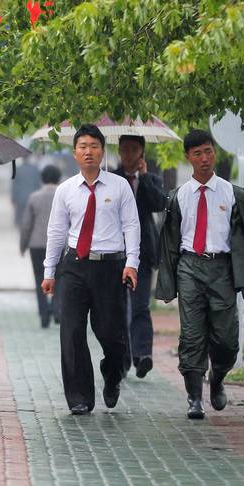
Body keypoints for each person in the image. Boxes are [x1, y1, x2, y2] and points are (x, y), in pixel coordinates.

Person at [155, 129, 244, 420]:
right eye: (198, 154)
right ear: (188, 158)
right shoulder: (178, 197)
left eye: (209, 151)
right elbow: (170, 244)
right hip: (190, 268)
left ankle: (217, 378)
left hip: (222, 270)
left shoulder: (234, 194)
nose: (205, 159)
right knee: (192, 336)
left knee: (227, 340)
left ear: (215, 152)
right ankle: (194, 398)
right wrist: (168, 284)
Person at [41, 124, 140, 415]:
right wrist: (49, 272)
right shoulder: (65, 191)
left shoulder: (119, 186)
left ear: (102, 151)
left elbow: (132, 226)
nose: (88, 152)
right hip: (73, 266)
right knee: (71, 332)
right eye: (83, 146)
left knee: (111, 334)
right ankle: (79, 397)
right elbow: (56, 232)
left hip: (110, 267)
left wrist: (131, 264)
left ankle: (112, 374)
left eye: (94, 146)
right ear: (75, 153)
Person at [114, 135, 167, 378]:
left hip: (143, 254)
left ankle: (142, 354)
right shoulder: (111, 179)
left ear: (142, 152)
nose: (129, 154)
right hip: (115, 253)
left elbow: (159, 204)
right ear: (118, 151)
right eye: (125, 149)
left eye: (134, 149)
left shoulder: (152, 179)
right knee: (117, 308)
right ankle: (122, 358)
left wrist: (144, 178)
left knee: (140, 306)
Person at [20, 164, 62, 328]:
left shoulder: (34, 197)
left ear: (42, 178)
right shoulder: (64, 196)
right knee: (59, 278)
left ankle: (44, 315)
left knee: (40, 279)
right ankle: (56, 308)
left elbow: (26, 225)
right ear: (59, 178)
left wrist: (23, 246)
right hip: (59, 244)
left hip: (37, 245)